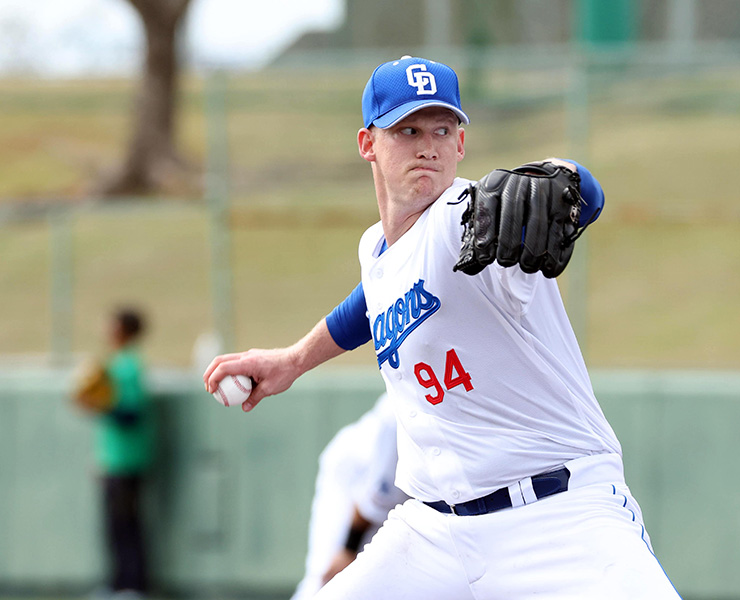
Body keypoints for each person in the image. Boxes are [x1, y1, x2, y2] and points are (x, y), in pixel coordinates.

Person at [205, 56, 680, 599]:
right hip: (434, 533)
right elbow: (374, 298)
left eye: (442, 129)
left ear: (460, 145)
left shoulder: (468, 217)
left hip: (558, 516)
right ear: (368, 143)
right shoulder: (377, 250)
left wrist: (568, 178)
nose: (427, 145)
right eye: (407, 129)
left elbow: (562, 195)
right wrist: (292, 360)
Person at [291, 393, 408, 600]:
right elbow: (374, 496)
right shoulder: (398, 412)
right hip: (354, 478)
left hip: (386, 485)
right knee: (329, 580)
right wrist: (347, 549)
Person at [75, 308, 153, 599]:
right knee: (114, 525)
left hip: (128, 460)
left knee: (126, 524)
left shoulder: (129, 365)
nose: (107, 329)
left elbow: (131, 414)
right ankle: (119, 583)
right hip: (114, 461)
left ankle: (133, 585)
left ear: (124, 329)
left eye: (112, 324)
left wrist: (100, 405)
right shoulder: (116, 364)